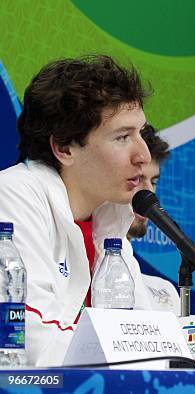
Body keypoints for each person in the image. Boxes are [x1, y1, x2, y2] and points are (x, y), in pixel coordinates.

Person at [0, 55, 154, 366]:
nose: (144, 154)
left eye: (141, 133)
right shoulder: (12, 195)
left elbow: (147, 333)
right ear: (65, 148)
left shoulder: (110, 219)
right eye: (123, 137)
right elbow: (29, 339)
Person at [126, 125, 180, 316]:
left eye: (154, 181)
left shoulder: (165, 291)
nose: (148, 191)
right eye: (137, 179)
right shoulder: (92, 281)